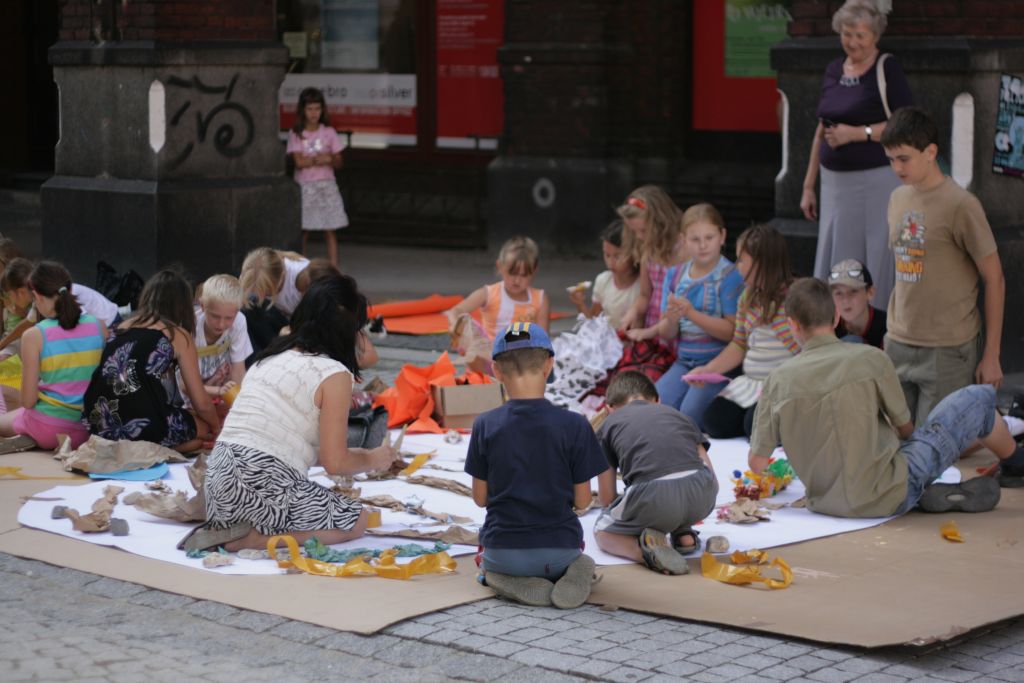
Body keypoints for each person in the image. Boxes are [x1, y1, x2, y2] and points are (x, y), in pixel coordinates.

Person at [748, 278, 1019, 517]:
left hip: (825, 503)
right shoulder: (871, 358)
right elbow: (906, 429)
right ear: (836, 318)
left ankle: (921, 495)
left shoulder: (777, 380)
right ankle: (1016, 464)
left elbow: (757, 464)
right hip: (890, 488)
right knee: (980, 396)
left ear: (792, 325)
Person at [185, 275, 400, 552]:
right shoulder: (333, 374)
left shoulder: (269, 356)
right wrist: (374, 458)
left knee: (305, 499)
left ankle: (240, 528)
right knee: (356, 520)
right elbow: (335, 462)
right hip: (261, 483)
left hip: (218, 482)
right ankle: (254, 540)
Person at [465, 322, 608, 608]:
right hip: (560, 552)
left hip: (502, 552)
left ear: (496, 371)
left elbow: (481, 499)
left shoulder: (484, 424)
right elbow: (582, 501)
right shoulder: (576, 425)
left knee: (486, 561)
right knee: (581, 557)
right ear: (549, 366)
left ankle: (496, 577)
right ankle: (575, 570)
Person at [880, 106, 1005, 425]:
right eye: (891, 158)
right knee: (895, 437)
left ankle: (996, 431)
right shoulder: (896, 199)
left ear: (930, 152)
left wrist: (991, 356)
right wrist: (891, 335)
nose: (896, 167)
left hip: (948, 348)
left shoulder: (961, 204)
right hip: (899, 342)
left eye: (903, 158)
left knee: (937, 445)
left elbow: (995, 279)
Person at [800, 0, 913, 310]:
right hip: (834, 183)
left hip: (877, 180)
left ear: (875, 35)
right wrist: (809, 185)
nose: (853, 42)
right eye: (847, 34)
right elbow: (821, 128)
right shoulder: (834, 69)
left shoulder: (886, 67)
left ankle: (875, 321)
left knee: (876, 251)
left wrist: (857, 133)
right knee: (836, 251)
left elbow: (904, 123)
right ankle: (835, 320)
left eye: (860, 35)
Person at [627, 203, 743, 427]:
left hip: (717, 364)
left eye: (709, 237)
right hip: (684, 361)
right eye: (695, 239)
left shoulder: (730, 276)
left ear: (722, 236)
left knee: (690, 415)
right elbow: (668, 333)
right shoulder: (676, 274)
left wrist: (691, 313)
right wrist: (671, 319)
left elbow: (732, 332)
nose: (703, 246)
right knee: (655, 408)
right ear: (683, 240)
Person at [593, 371, 720, 576]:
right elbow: (712, 478)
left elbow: (606, 497)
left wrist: (633, 512)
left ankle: (645, 553)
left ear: (609, 409)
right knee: (678, 487)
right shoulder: (678, 415)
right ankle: (683, 535)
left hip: (653, 495)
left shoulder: (609, 424)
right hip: (703, 497)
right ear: (658, 401)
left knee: (602, 531)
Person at [82, 270, 220, 452]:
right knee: (203, 428)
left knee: (189, 428)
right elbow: (201, 402)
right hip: (145, 424)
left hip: (101, 423)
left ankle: (152, 448)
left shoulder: (120, 328)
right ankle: (157, 449)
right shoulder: (177, 334)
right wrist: (217, 428)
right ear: (182, 305)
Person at [690, 224, 799, 438]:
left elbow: (804, 349)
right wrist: (708, 369)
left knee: (755, 428)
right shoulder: (747, 298)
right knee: (713, 423)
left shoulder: (794, 299)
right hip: (752, 383)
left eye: (741, 259)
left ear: (761, 261)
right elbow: (739, 344)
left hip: (782, 386)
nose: (737, 265)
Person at [0, 262, 105, 453]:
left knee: (9, 416)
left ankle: (28, 435)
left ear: (37, 296)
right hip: (89, 429)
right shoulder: (99, 327)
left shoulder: (34, 335)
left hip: (49, 429)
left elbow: (28, 401)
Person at [445, 236, 549, 372]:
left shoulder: (540, 298)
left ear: (534, 271)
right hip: (488, 360)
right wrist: (455, 325)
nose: (517, 280)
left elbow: (543, 340)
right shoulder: (489, 293)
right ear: (500, 266)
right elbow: (456, 310)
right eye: (512, 273)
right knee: (467, 326)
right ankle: (482, 380)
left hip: (520, 364)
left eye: (523, 275)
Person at [0, 257, 119, 354]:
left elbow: (92, 330)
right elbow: (28, 323)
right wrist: (3, 343)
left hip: (111, 327)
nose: (10, 300)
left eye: (9, 294)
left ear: (21, 292)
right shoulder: (41, 299)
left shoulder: (55, 297)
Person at [287, 87, 347, 267]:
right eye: (310, 109)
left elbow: (339, 161)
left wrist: (329, 159)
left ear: (322, 110)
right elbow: (298, 162)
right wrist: (322, 158)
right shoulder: (296, 133)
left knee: (330, 229)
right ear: (302, 111)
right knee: (304, 230)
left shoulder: (329, 132)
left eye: (317, 109)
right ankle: (301, 269)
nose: (314, 113)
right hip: (305, 186)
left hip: (326, 185)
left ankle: (334, 267)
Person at [617, 185, 685, 331]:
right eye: (634, 231)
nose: (639, 237)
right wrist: (633, 312)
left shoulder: (684, 250)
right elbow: (645, 295)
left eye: (643, 230)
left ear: (662, 223)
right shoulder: (648, 252)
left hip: (680, 332)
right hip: (652, 331)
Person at [568, 219, 640, 330]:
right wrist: (580, 304)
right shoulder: (603, 281)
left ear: (634, 253)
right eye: (607, 255)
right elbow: (593, 324)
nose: (611, 262)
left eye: (617, 256)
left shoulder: (642, 285)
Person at [190, 274, 252, 402]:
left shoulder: (239, 321)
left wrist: (237, 402)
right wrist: (218, 392)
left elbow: (238, 369)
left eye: (229, 318)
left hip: (221, 391)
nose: (221, 324)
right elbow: (185, 385)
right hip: (193, 397)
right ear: (202, 306)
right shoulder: (190, 326)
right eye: (215, 316)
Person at [239, 247, 309, 359]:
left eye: (267, 292)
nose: (262, 296)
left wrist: (292, 331)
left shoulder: (302, 278)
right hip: (285, 326)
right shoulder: (254, 275)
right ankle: (258, 361)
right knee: (245, 308)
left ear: (282, 276)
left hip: (306, 326)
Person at [828, 258, 887, 348]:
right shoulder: (827, 327)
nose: (845, 300)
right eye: (838, 293)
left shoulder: (889, 327)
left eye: (853, 291)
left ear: (870, 293)